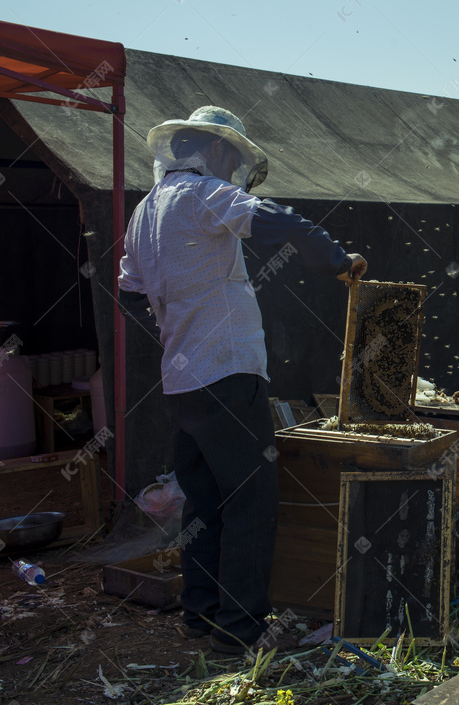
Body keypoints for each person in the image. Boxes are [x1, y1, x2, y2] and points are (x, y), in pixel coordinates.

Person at [117, 105, 366, 654]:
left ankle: (201, 617)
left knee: (203, 504)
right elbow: (285, 222)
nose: (233, 165)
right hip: (228, 373)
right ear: (215, 151)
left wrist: (173, 326)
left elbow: (128, 293)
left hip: (182, 382)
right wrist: (338, 260)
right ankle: (240, 631)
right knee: (250, 500)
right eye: (231, 155)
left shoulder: (145, 211)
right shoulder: (204, 197)